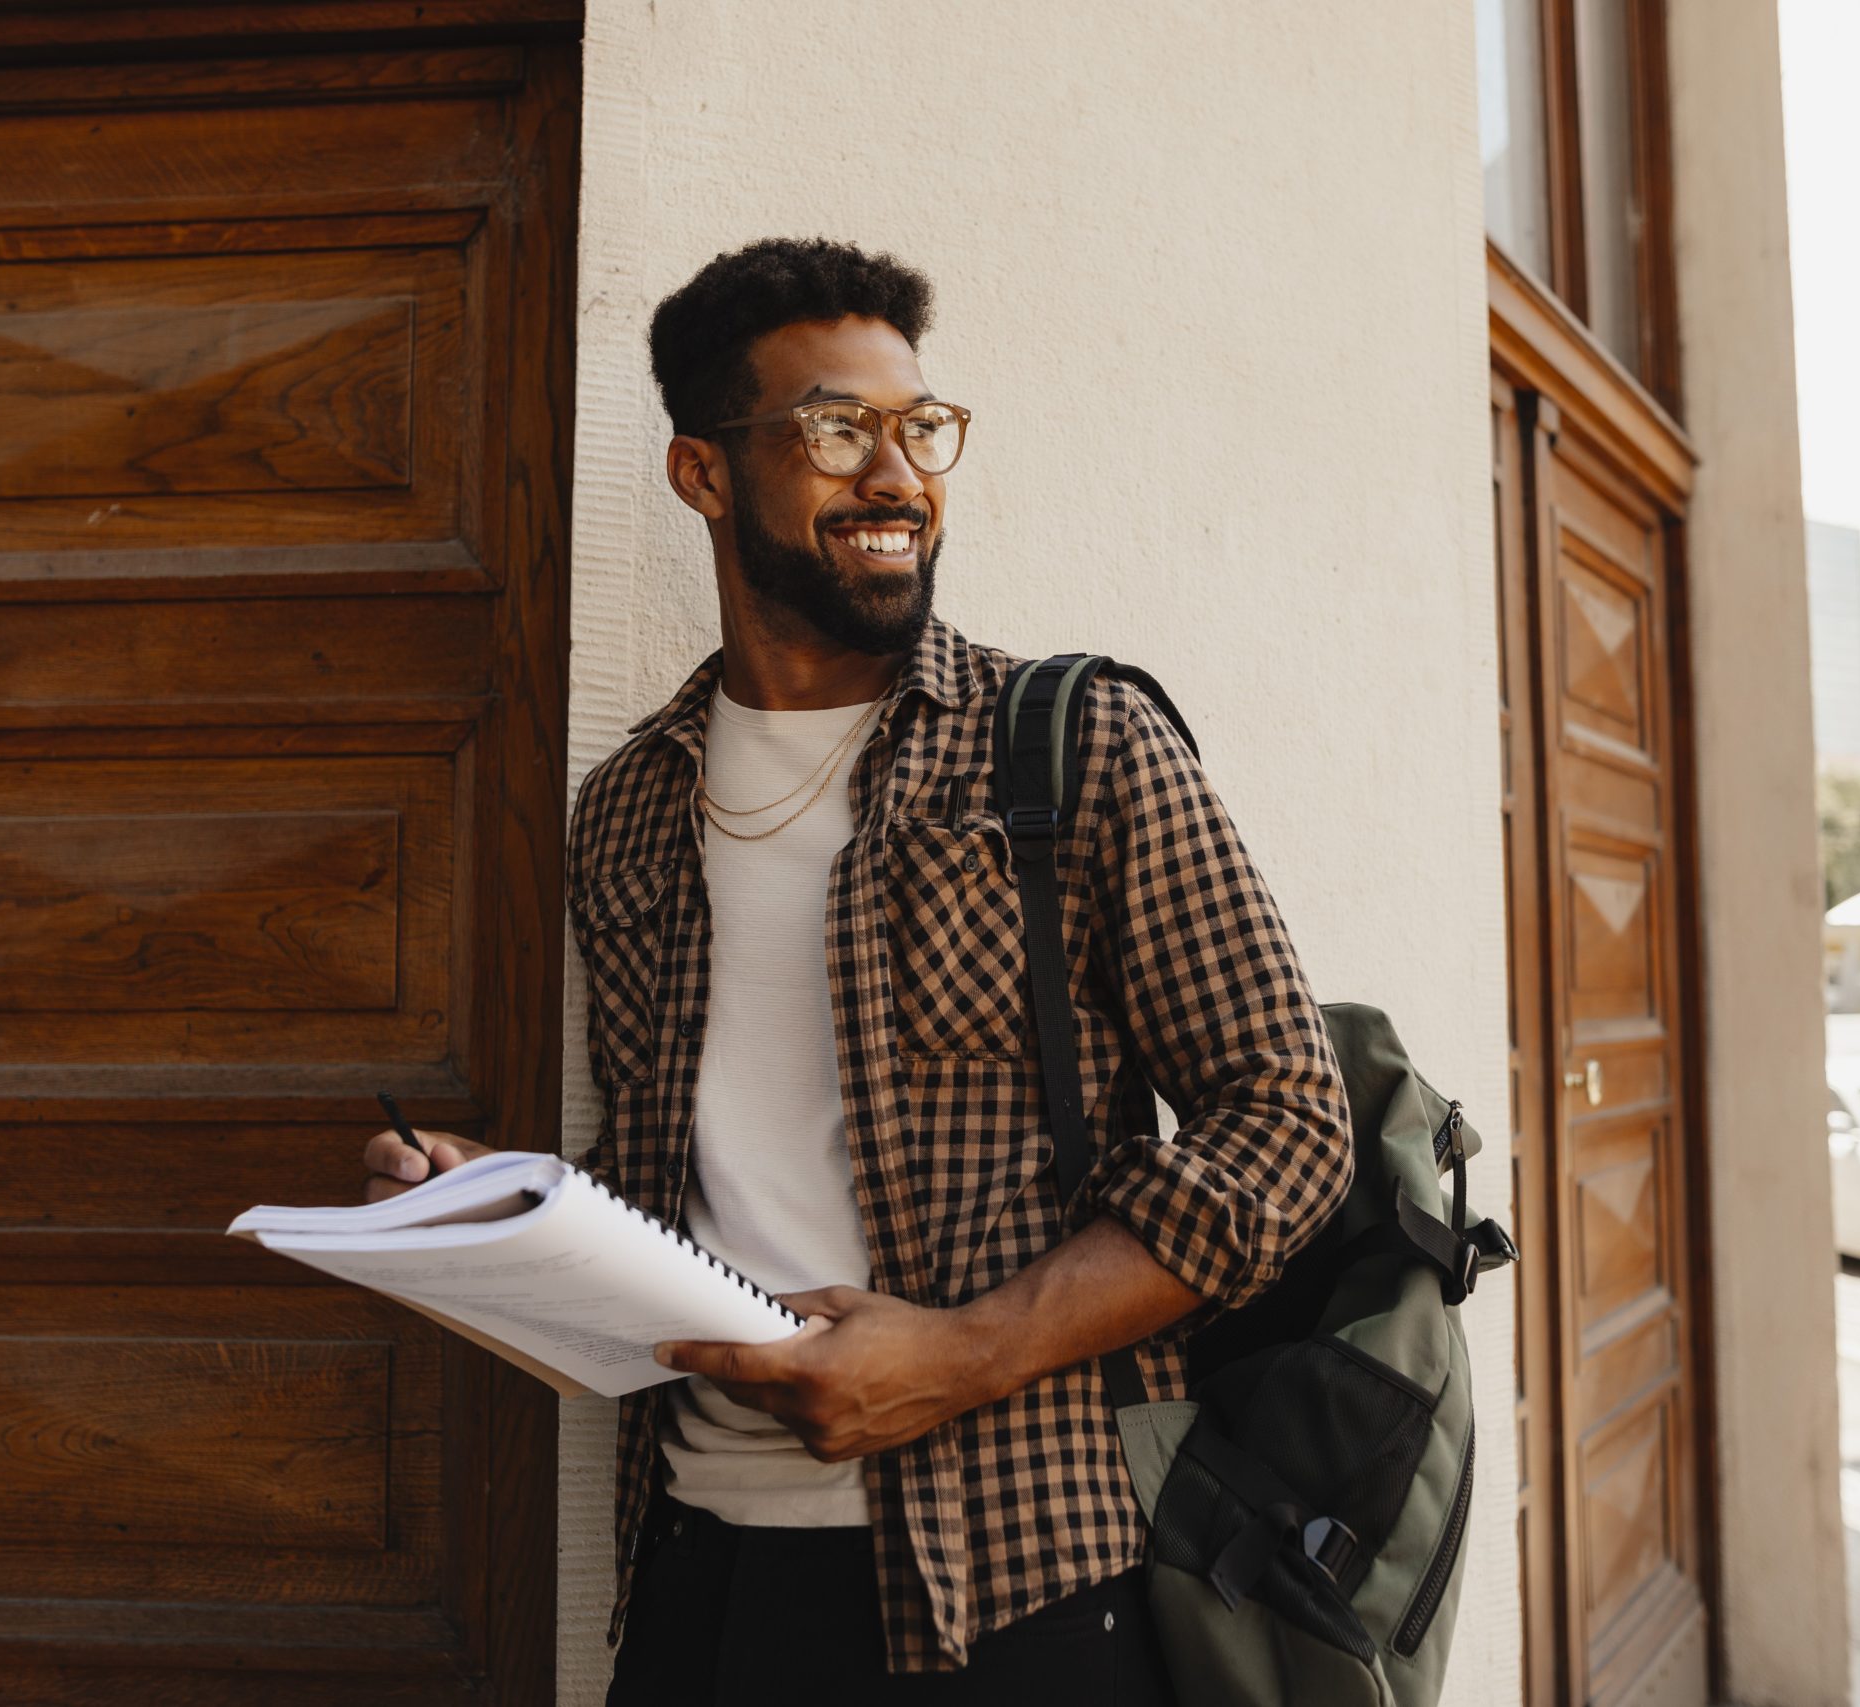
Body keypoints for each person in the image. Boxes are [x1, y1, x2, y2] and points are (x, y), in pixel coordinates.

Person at [360, 237, 1353, 1704]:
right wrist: (495, 1213)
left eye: (919, 428)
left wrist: (962, 1353)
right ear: (705, 473)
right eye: (836, 429)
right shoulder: (628, 808)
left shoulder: (1073, 750)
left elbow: (1289, 1123)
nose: (895, 475)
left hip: (1018, 1586)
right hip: (696, 1574)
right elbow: (690, 1183)